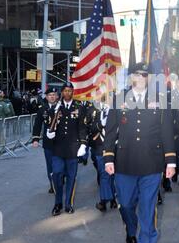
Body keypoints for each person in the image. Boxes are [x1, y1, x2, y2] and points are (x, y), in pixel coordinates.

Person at [103, 62, 176, 243]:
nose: (141, 77)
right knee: (125, 204)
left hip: (151, 163)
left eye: (145, 74)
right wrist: (108, 157)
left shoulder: (161, 100)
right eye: (137, 74)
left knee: (147, 207)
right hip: (125, 163)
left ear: (149, 78)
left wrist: (170, 161)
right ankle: (130, 229)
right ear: (131, 77)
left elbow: (167, 133)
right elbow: (110, 132)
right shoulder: (119, 99)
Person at [47, 82, 87, 216]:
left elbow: (82, 127)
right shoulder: (56, 107)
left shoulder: (79, 107)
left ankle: (68, 203)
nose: (68, 93)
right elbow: (50, 124)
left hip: (73, 149)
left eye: (70, 91)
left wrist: (83, 144)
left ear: (73, 92)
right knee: (57, 174)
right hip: (58, 148)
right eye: (65, 91)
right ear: (62, 93)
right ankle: (58, 203)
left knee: (71, 177)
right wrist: (49, 133)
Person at [84, 96, 117, 212]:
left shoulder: (117, 108)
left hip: (115, 146)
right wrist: (100, 124)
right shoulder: (93, 110)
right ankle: (105, 200)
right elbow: (89, 128)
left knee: (112, 174)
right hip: (99, 146)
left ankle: (109, 199)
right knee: (104, 173)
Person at [32, 87, 59, 193]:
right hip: (48, 143)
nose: (52, 97)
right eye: (50, 95)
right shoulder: (42, 109)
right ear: (47, 97)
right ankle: (52, 185)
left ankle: (60, 180)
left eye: (54, 94)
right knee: (50, 164)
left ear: (57, 96)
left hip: (61, 142)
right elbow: (37, 125)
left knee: (60, 164)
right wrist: (35, 139)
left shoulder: (61, 108)